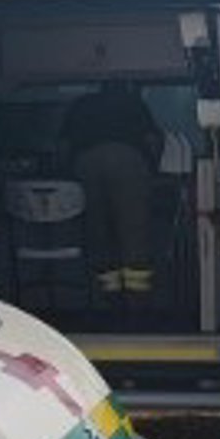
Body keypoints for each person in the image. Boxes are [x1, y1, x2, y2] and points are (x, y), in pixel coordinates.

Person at [66, 83, 159, 304]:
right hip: (128, 161)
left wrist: (67, 171)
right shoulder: (134, 103)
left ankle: (107, 300)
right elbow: (153, 140)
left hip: (86, 162)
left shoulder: (82, 104)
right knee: (133, 233)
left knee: (97, 230)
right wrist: (152, 169)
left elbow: (63, 145)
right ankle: (137, 303)